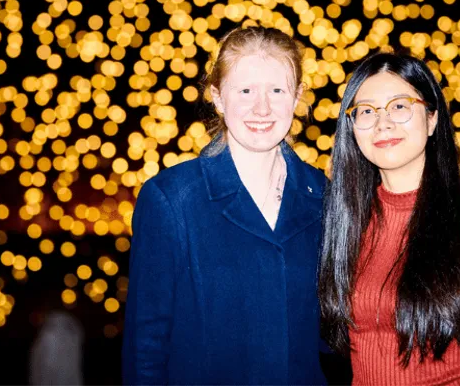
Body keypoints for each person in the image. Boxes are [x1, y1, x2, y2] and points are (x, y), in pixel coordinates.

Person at [122, 26, 328, 385]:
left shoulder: (322, 194)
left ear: (297, 97)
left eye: (277, 91)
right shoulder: (172, 198)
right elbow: (146, 346)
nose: (262, 108)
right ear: (217, 97)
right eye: (246, 90)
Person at [318, 50, 460, 385]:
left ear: (432, 118)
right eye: (366, 111)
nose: (383, 123)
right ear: (351, 128)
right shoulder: (345, 225)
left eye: (399, 106)